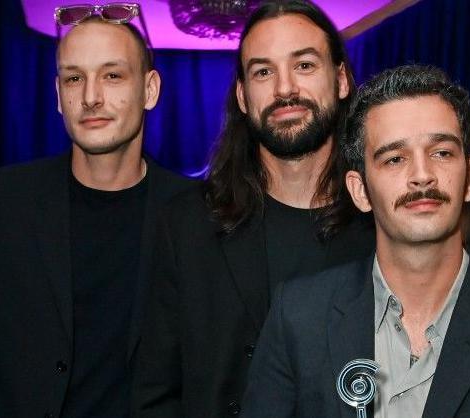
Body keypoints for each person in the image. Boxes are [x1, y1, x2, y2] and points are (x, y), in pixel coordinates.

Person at [242, 65, 470, 418]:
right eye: (395, 159)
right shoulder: (298, 315)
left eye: (441, 153)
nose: (421, 175)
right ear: (359, 191)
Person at [132, 1, 375, 416]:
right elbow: (154, 393)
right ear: (243, 96)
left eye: (304, 65)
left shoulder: (382, 226)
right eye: (263, 72)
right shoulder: (187, 225)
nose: (284, 89)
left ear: (341, 79)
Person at [0, 7, 193, 418]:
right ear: (58, 96)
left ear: (150, 89)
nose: (90, 97)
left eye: (112, 75)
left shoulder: (197, 213)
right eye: (74, 78)